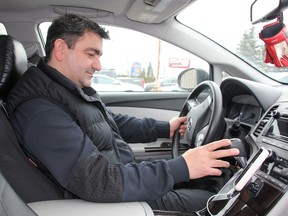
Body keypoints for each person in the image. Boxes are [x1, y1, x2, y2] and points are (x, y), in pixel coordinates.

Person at [6, 14, 239, 213]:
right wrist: (182, 167)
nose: (98, 65)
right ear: (60, 49)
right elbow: (96, 180)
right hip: (111, 201)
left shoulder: (66, 89)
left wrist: (164, 128)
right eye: (91, 54)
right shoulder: (39, 110)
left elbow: (109, 122)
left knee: (210, 182)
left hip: (122, 180)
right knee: (221, 201)